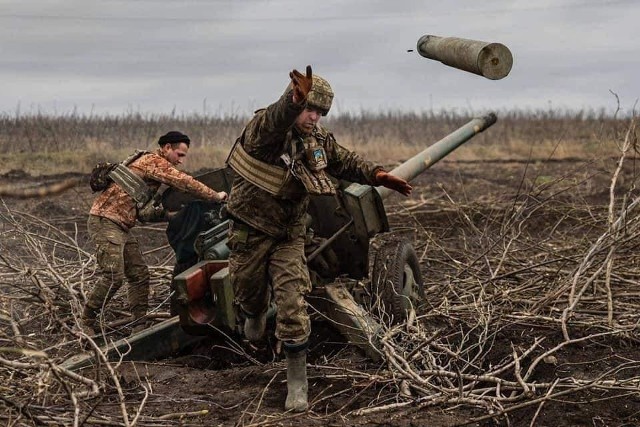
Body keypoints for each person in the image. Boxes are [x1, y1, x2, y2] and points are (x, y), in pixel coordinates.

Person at [225, 66, 411, 412]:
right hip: (249, 229)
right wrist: (292, 100)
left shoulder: (318, 141)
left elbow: (345, 161)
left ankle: (298, 383)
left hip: (289, 235)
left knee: (292, 304)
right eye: (310, 109)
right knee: (248, 292)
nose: (314, 117)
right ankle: (252, 312)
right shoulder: (266, 131)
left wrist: (380, 175)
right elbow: (277, 119)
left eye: (320, 112)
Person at [82, 131, 228, 336]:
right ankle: (85, 322)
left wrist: (170, 215)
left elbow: (143, 213)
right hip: (105, 222)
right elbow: (183, 182)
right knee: (114, 276)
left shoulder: (147, 166)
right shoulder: (152, 161)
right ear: (167, 148)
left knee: (139, 274)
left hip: (121, 226)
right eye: (179, 154)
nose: (180, 161)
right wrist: (215, 195)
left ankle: (139, 325)